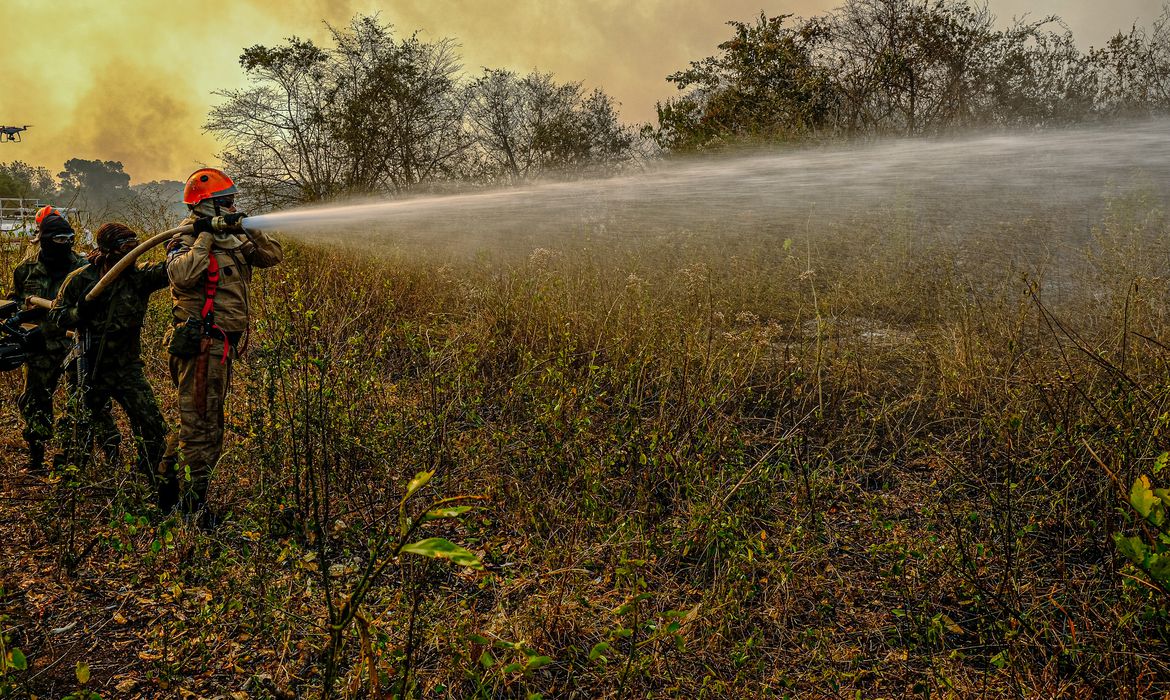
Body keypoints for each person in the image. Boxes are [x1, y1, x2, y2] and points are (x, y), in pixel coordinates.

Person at [162, 168, 282, 523]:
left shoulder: (235, 239)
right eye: (226, 201)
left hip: (221, 347)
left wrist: (248, 226)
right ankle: (192, 508)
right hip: (202, 347)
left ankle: (166, 491)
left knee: (195, 421)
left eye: (233, 200)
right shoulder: (184, 240)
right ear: (206, 206)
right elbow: (181, 275)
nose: (233, 206)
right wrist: (203, 237)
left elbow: (271, 256)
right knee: (205, 429)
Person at [50, 223, 169, 504]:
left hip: (127, 366)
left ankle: (155, 480)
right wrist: (81, 310)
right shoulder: (81, 278)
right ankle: (69, 488)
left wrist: (190, 237)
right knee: (78, 426)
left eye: (134, 246)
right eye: (124, 248)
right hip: (89, 366)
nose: (131, 254)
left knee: (150, 421)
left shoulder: (139, 276)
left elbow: (170, 271)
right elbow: (57, 317)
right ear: (106, 250)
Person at [10, 206, 118, 472]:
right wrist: (22, 330)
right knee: (35, 402)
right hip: (40, 349)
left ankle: (95, 462)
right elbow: (16, 305)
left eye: (69, 238)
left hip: (76, 347)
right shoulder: (26, 270)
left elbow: (97, 308)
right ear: (44, 239)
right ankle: (36, 460)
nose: (65, 244)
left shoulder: (84, 268)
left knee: (87, 403)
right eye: (58, 239)